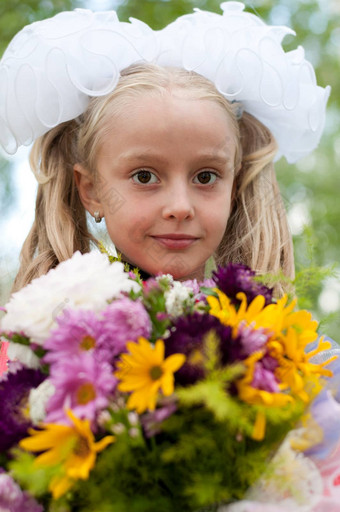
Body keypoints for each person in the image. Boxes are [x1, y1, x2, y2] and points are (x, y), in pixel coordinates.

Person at [0, 2, 330, 295]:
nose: (179, 207)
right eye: (144, 176)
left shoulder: (292, 354)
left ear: (234, 187)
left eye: (205, 176)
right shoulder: (39, 350)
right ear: (91, 190)